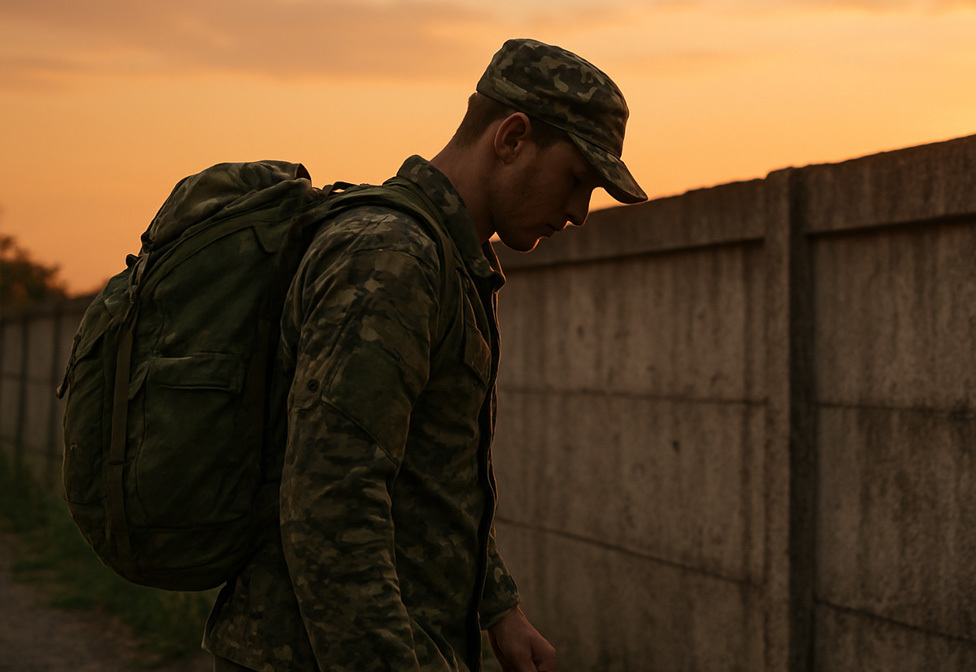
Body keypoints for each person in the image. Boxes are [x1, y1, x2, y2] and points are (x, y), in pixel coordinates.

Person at [202, 38, 647, 672]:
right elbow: (332, 505)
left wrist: (498, 607)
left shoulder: (444, 257)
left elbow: (429, 472)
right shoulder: (394, 258)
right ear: (512, 138)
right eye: (577, 179)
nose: (579, 211)